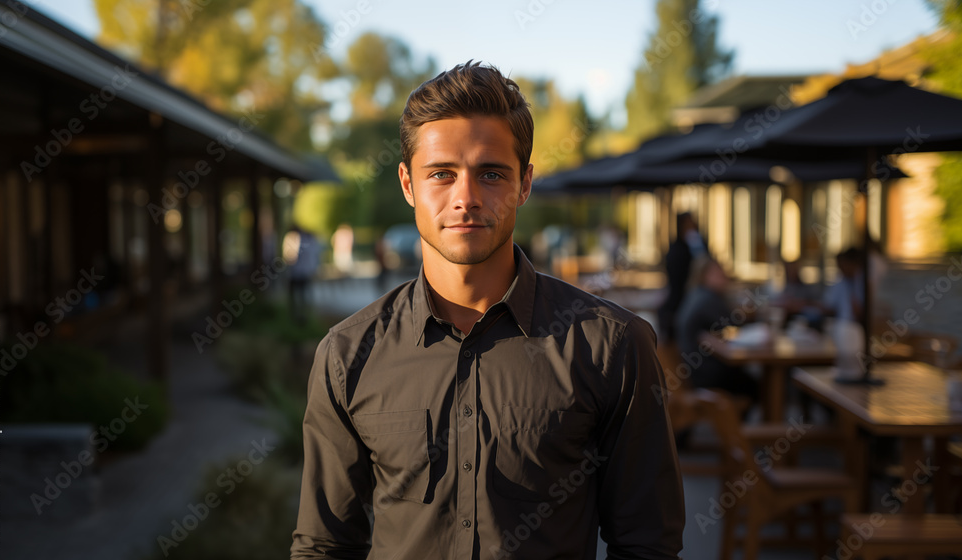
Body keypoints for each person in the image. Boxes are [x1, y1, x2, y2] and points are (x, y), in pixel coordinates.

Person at [291, 61, 684, 560]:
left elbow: (647, 543)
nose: (466, 199)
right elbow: (324, 546)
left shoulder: (612, 347)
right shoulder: (348, 355)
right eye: (441, 175)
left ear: (524, 184)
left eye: (491, 173)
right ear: (408, 185)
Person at [675, 257, 759, 403]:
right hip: (706, 375)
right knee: (756, 386)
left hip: (691, 370)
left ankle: (736, 424)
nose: (725, 277)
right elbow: (733, 325)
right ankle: (735, 425)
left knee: (750, 380)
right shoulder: (708, 299)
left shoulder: (696, 294)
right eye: (718, 274)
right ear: (704, 276)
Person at [658, 212, 706, 343]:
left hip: (693, 295)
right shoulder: (677, 249)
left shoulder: (698, 244)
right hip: (679, 296)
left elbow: (705, 262)